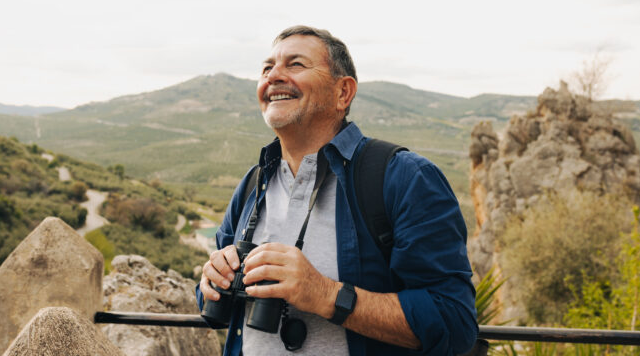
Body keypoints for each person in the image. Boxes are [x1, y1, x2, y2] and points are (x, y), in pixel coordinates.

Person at [196, 26, 477, 355]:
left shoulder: (404, 178)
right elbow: (214, 307)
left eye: (296, 64)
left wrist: (325, 295)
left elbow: (454, 321)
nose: (274, 76)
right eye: (267, 68)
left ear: (343, 93)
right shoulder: (254, 183)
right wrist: (212, 282)